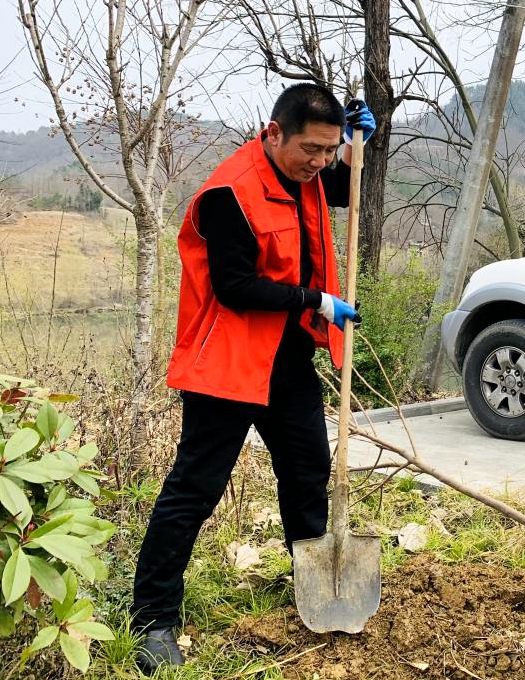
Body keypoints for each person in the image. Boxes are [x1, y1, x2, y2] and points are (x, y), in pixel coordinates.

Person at [130, 84, 377, 673]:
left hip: (287, 358)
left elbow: (340, 189)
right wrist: (314, 298)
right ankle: (153, 616)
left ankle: (315, 581)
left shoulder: (309, 172)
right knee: (197, 486)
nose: (318, 163)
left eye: (327, 148)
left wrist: (355, 149)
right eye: (311, 150)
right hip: (228, 362)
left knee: (307, 470)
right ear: (273, 134)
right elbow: (234, 286)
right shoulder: (229, 193)